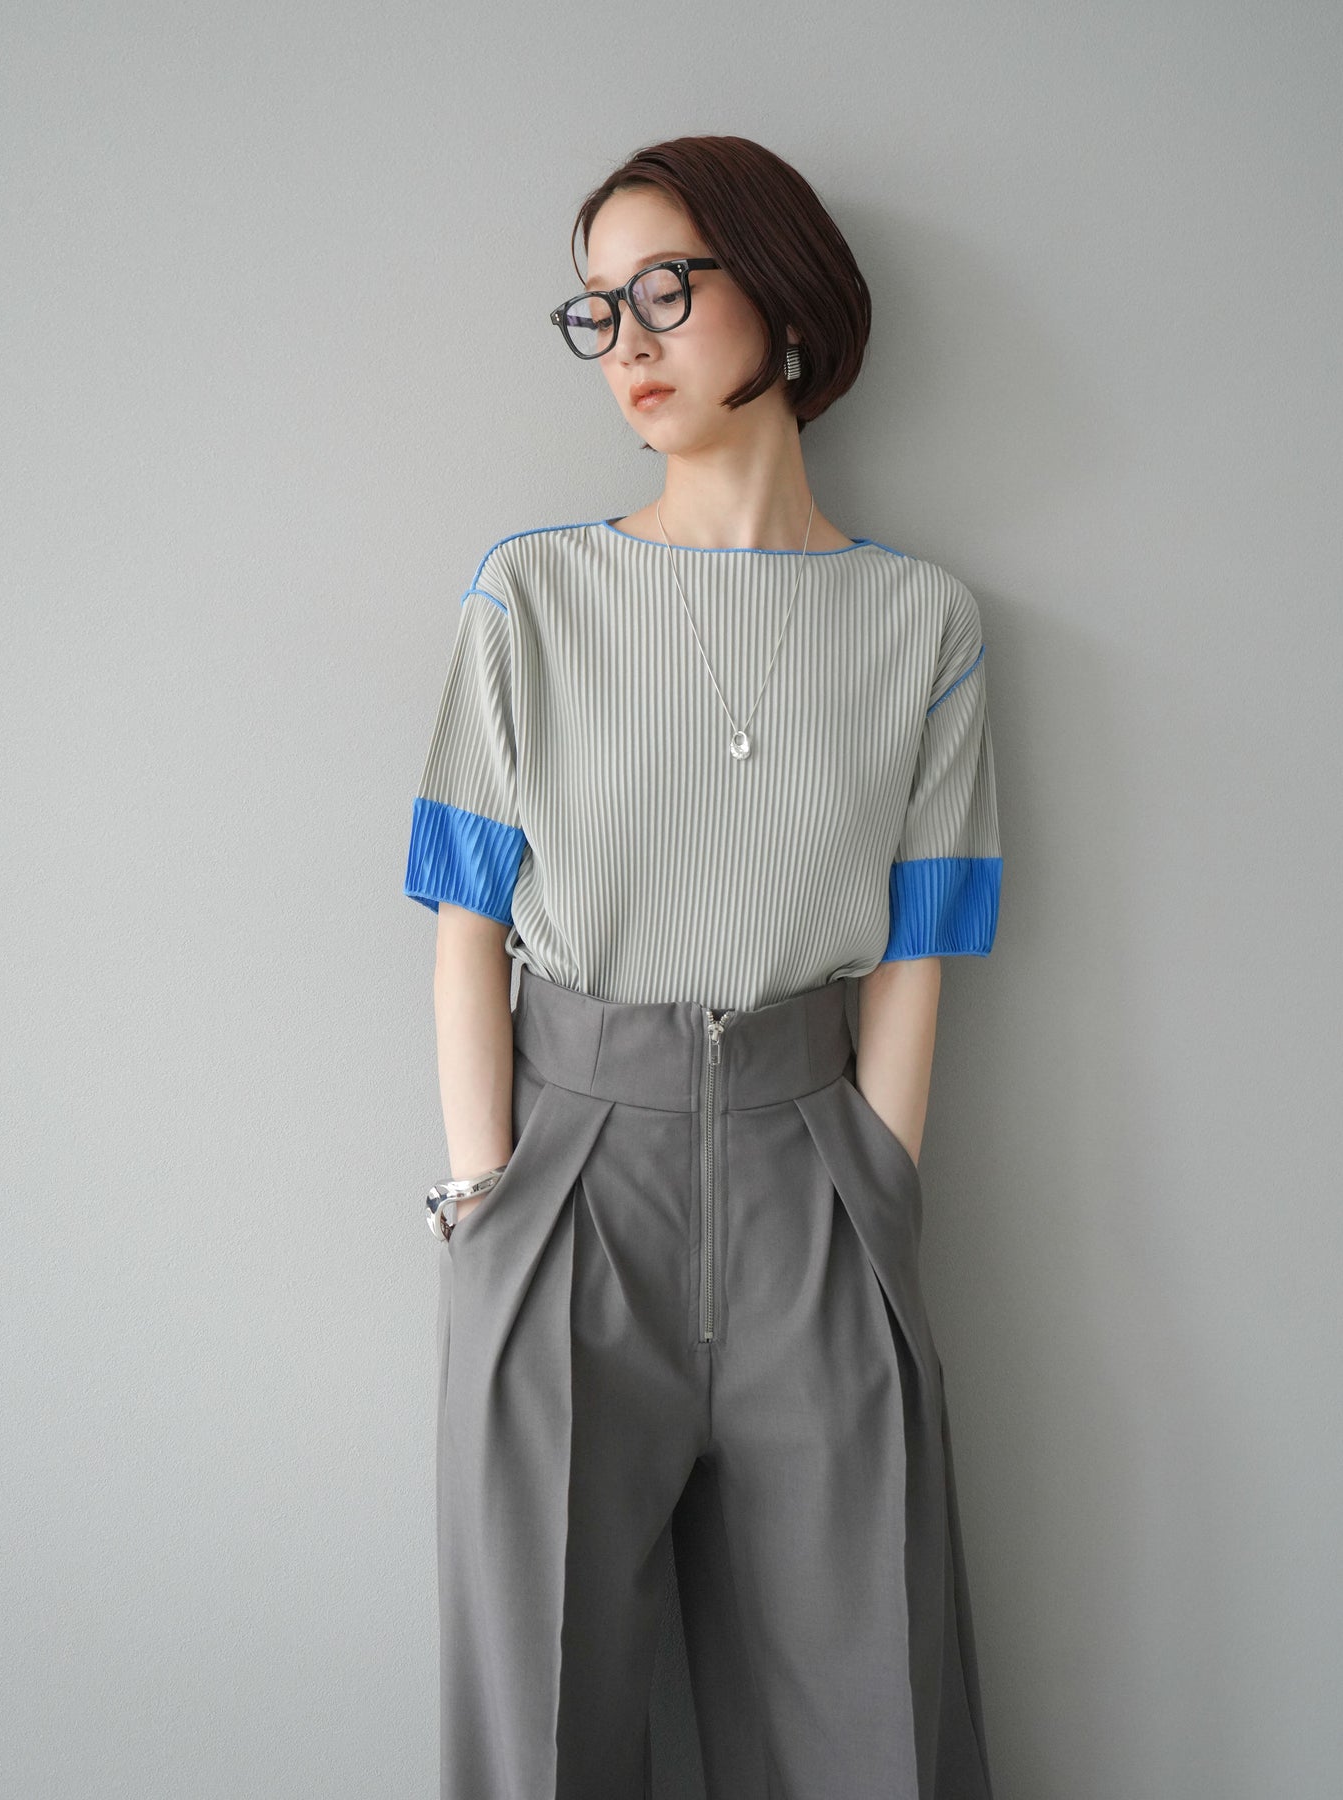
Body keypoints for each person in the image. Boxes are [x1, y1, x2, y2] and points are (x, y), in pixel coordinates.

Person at [403, 134, 1002, 1800]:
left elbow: (924, 944)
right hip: (569, 1178)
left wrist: (877, 1182)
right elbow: (462, 916)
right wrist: (485, 1201)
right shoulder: (531, 594)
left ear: (784, 294)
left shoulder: (925, 625)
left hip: (818, 1177)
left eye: (663, 289)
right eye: (596, 310)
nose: (628, 342)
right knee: (540, 1731)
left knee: (866, 1719)